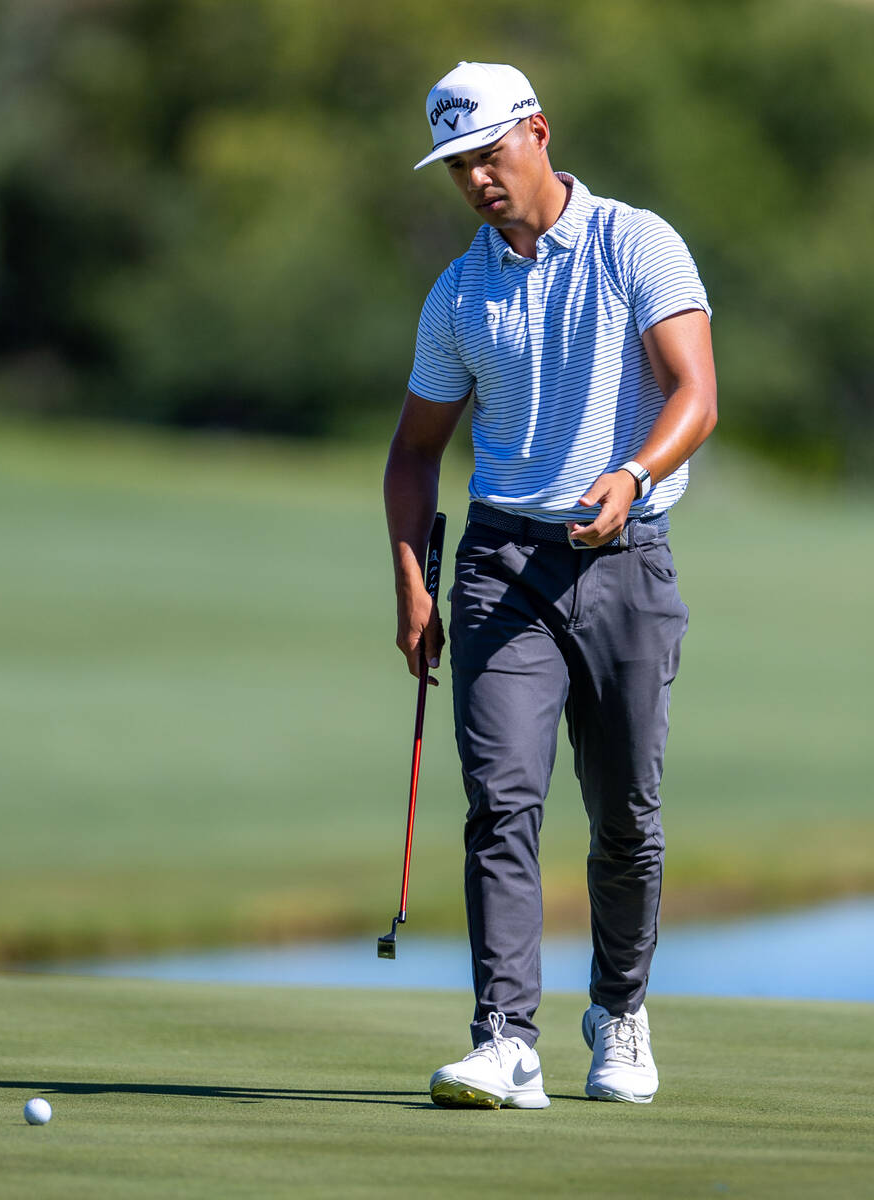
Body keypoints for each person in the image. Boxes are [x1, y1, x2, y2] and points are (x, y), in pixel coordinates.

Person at [384, 61, 717, 1109]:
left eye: (489, 154)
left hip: (626, 557)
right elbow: (413, 453)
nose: (477, 180)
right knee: (502, 803)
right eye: (458, 166)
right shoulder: (460, 291)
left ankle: (618, 1010)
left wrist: (632, 473)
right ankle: (503, 1038)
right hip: (500, 568)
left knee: (626, 817)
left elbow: (696, 394)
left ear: (537, 132)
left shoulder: (635, 242)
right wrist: (411, 585)